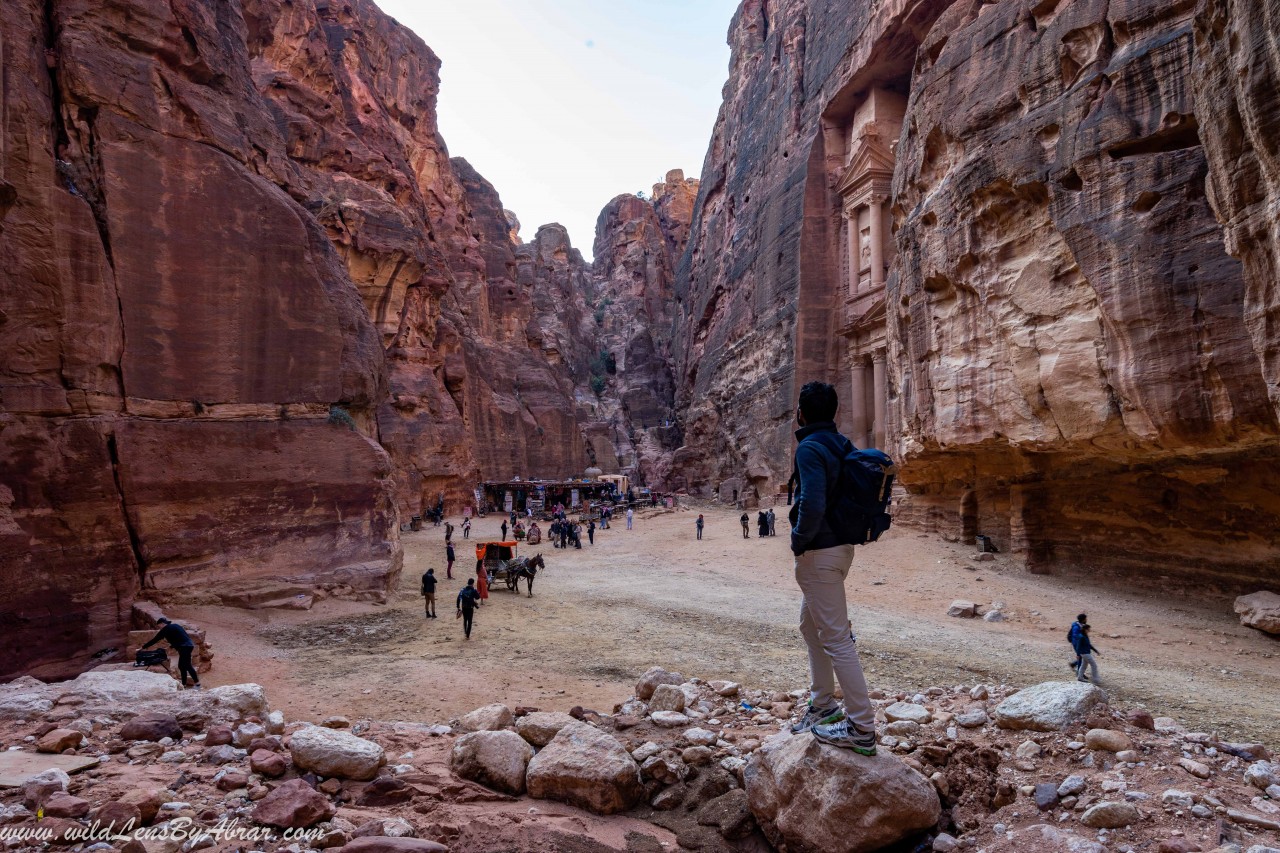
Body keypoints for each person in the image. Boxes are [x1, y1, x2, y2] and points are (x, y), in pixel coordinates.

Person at [788, 381, 877, 755]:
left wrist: (799, 539)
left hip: (819, 553)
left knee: (837, 639)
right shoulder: (841, 444)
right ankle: (823, 704)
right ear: (835, 413)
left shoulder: (809, 447)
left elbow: (812, 500)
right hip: (840, 548)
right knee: (812, 627)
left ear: (801, 412)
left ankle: (861, 726)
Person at [140, 618, 200, 689]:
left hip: (184, 647)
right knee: (181, 666)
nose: (159, 628)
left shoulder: (166, 629)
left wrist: (143, 647)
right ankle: (184, 684)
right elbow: (180, 637)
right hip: (188, 645)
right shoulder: (175, 626)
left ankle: (197, 684)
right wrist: (171, 646)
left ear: (162, 624)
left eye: (159, 626)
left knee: (187, 665)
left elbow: (155, 639)